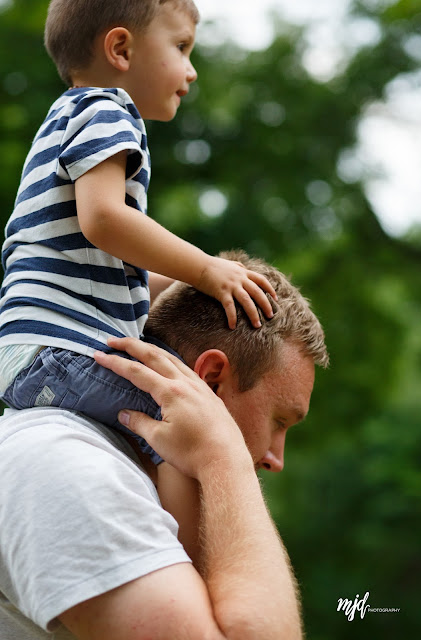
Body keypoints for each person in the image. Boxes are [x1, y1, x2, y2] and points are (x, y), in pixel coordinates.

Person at [0, 0, 277, 466]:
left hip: (33, 349)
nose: (191, 72)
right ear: (121, 49)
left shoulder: (67, 116)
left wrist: (185, 282)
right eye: (181, 47)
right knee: (194, 430)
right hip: (62, 348)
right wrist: (206, 269)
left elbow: (99, 261)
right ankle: (182, 543)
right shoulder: (108, 110)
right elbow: (104, 219)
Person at [0, 251, 329, 639]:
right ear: (210, 381)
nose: (277, 459)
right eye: (279, 421)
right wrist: (226, 461)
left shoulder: (134, 483)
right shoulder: (66, 466)